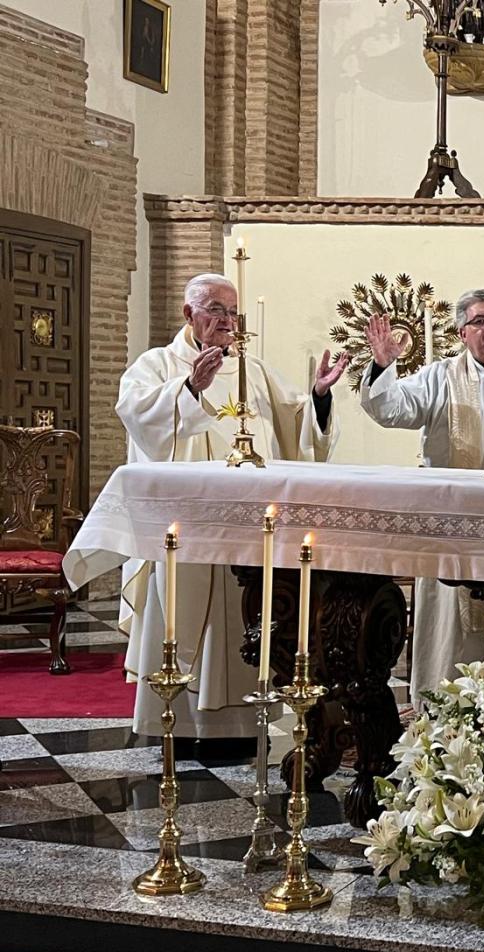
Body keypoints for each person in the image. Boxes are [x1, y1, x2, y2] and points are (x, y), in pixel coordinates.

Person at [116, 274, 346, 753]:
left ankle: (246, 725)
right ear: (188, 314)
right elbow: (141, 420)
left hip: (251, 527)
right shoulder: (156, 365)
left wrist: (320, 397)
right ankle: (175, 724)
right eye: (216, 310)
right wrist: (189, 390)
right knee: (184, 612)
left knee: (247, 617)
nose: (227, 321)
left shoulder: (254, 370)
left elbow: (297, 427)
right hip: (187, 527)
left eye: (232, 313)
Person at [361, 288, 484, 699]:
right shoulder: (439, 378)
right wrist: (383, 366)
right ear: (461, 332)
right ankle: (446, 720)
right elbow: (391, 409)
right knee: (454, 638)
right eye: (480, 321)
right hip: (454, 530)